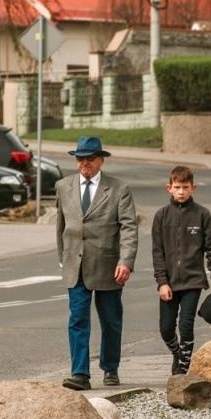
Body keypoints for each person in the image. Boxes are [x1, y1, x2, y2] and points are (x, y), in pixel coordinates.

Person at [55, 135, 138, 390]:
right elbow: (61, 225)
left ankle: (110, 367)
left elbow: (128, 227)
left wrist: (126, 261)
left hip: (108, 265)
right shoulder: (63, 186)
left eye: (90, 159)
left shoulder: (118, 189)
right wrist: (62, 258)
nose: (84, 164)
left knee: (111, 320)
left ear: (101, 161)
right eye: (80, 159)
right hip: (75, 264)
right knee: (78, 319)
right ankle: (80, 373)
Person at [151, 165, 211, 375]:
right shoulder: (161, 216)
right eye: (177, 187)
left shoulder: (202, 215)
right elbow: (157, 253)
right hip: (169, 282)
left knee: (185, 325)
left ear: (193, 188)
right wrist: (161, 281)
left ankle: (182, 370)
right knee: (166, 329)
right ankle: (178, 354)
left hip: (193, 281)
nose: (181, 191)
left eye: (185, 187)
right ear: (169, 188)